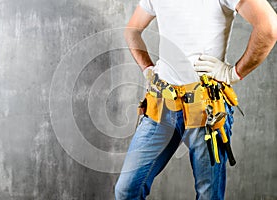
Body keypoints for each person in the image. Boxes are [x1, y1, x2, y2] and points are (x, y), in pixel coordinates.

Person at [115, 0, 277, 199]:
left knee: (208, 195)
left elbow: (269, 27)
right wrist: (148, 69)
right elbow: (132, 30)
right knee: (127, 190)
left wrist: (233, 73)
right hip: (162, 105)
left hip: (205, 109)